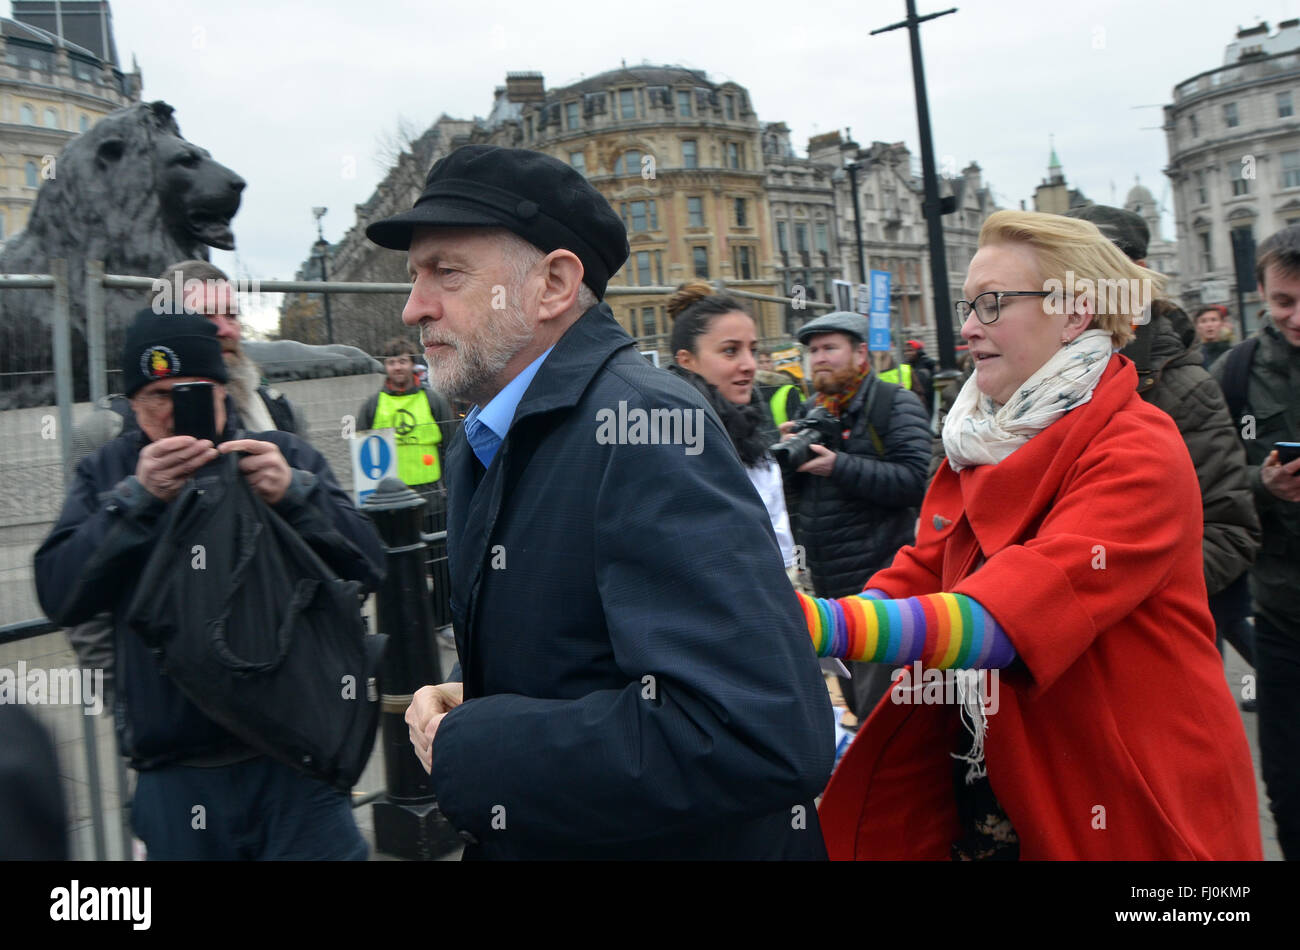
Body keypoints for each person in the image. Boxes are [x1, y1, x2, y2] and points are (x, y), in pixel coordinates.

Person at [367, 144, 833, 859]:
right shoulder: (486, 440)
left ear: (554, 284)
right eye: (414, 276)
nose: (413, 307)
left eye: (446, 272)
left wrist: (481, 745)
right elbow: (572, 654)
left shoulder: (645, 428)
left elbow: (760, 732)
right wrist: (471, 690)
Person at [791, 210, 1260, 859]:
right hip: (1004, 788)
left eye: (991, 304)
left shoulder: (1137, 448)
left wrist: (823, 628)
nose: (969, 327)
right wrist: (836, 617)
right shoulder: (983, 436)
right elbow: (926, 567)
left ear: (1074, 314)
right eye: (967, 305)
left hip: (1130, 796)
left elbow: (1007, 620)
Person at [34, 311, 385, 860]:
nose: (174, 413)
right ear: (131, 403)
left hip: (296, 764)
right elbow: (59, 591)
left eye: (193, 392)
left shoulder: (280, 456)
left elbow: (371, 561)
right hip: (177, 776)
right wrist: (136, 501)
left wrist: (296, 494)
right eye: (155, 397)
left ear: (223, 390)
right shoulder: (110, 473)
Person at [65, 260, 306, 708]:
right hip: (170, 705)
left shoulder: (278, 414)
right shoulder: (111, 435)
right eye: (206, 316)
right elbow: (83, 588)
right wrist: (126, 698)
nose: (225, 330)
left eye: (231, 314)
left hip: (281, 687)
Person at [1067, 204, 1260, 693]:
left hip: (1155, 650)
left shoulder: (1187, 387)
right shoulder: (1018, 381)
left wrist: (1123, 598)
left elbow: (1228, 529)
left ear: (1137, 276)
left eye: (1096, 269)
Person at [783, 311, 931, 723]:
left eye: (831, 348)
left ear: (861, 352)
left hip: (881, 590)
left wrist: (839, 466)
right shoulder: (813, 410)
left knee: (878, 715)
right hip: (830, 593)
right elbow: (800, 499)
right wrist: (787, 460)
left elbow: (915, 481)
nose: (820, 358)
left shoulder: (893, 402)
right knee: (855, 703)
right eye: (813, 350)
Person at [1211, 223, 1300, 860]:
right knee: (1290, 790)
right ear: (1262, 295)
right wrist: (1263, 483)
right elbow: (1202, 480)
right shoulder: (1236, 372)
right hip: (1282, 615)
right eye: (1285, 301)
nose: (1297, 316)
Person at [665, 282, 797, 573]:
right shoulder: (663, 441)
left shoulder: (752, 437)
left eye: (752, 349)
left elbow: (781, 547)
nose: (749, 364)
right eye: (730, 351)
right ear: (687, 361)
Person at [357, 337, 456, 512]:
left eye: (403, 361)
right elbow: (362, 453)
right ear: (385, 367)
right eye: (391, 362)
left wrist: (451, 487)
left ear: (412, 364)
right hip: (390, 496)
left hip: (431, 491)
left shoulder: (434, 400)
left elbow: (451, 446)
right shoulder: (372, 406)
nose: (397, 367)